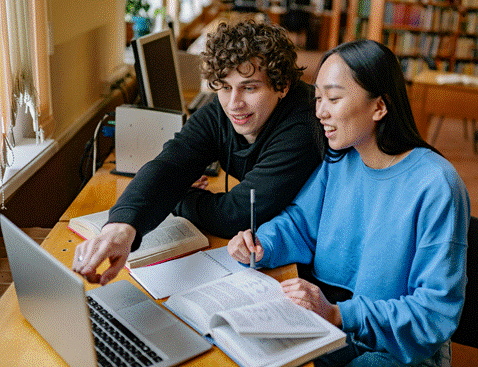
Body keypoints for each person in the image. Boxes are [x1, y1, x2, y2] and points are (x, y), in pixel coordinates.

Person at [228, 39, 470, 367]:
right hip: (338, 327)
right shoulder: (340, 158)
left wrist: (338, 314)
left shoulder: (436, 184)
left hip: (397, 351)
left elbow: (433, 313)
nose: (320, 111)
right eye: (318, 98)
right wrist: (261, 244)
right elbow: (300, 223)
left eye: (334, 98)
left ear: (379, 107)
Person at [73, 20, 321, 285]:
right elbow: (172, 163)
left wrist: (181, 196)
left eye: (249, 87)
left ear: (282, 85)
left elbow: (236, 214)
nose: (234, 104)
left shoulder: (304, 123)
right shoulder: (222, 109)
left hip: (309, 267)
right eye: (225, 87)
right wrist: (121, 226)